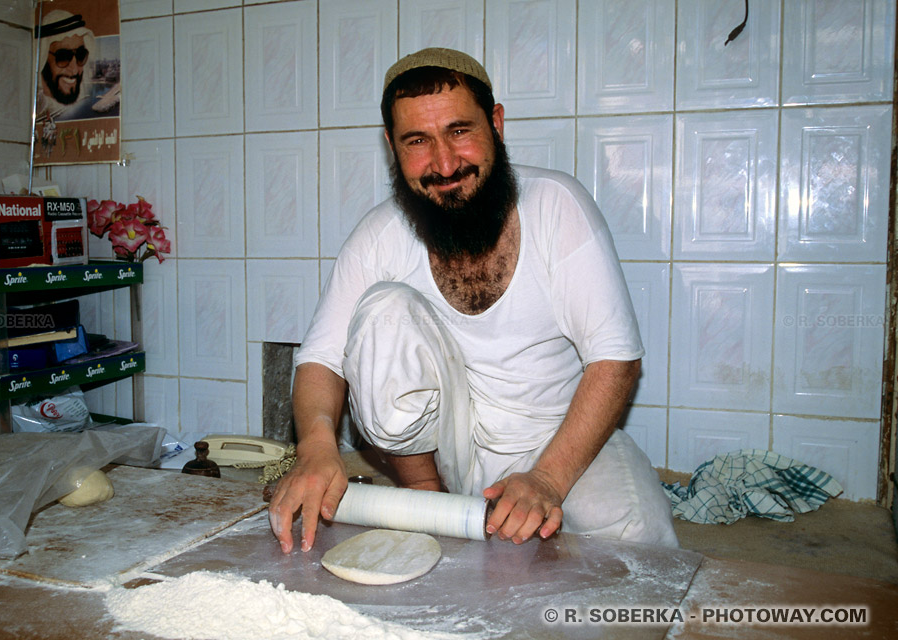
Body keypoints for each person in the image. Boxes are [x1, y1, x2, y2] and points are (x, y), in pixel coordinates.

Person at [269, 48, 678, 554]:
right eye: (417, 141)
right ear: (392, 146)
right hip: (446, 454)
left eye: (459, 131)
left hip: (560, 441)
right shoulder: (378, 236)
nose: (444, 163)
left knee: (638, 544)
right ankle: (426, 496)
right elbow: (320, 359)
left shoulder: (557, 206)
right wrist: (314, 445)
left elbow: (615, 360)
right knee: (383, 310)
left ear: (496, 124)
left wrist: (547, 480)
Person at [35, 10, 119, 123]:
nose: (74, 70)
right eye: (63, 57)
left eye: (80, 55)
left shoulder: (82, 99)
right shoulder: (37, 107)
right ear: (43, 57)